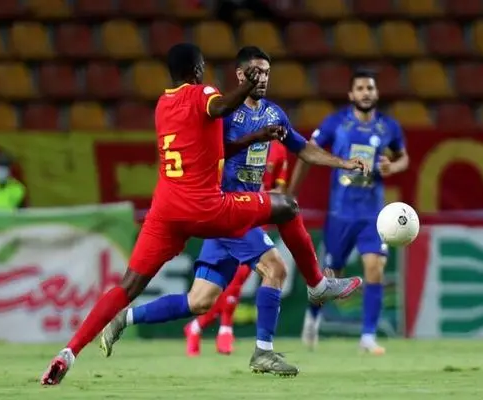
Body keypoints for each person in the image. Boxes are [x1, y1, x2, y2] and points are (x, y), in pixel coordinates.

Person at [40, 44, 367, 385]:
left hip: (168, 210)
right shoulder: (208, 96)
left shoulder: (164, 105)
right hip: (217, 209)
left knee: (186, 298)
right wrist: (243, 95)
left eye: (266, 73)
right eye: (255, 73)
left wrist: (334, 160)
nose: (262, 78)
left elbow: (221, 147)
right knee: (282, 235)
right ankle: (306, 299)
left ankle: (72, 350)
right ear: (202, 71)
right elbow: (220, 107)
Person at [288, 69, 410, 355]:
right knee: (331, 275)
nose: (366, 93)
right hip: (340, 214)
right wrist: (292, 192)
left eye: (370, 88)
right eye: (361, 88)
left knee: (375, 268)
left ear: (376, 93)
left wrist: (393, 166)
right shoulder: (336, 123)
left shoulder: (388, 127)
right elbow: (308, 152)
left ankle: (368, 337)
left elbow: (403, 157)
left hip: (373, 215)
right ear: (351, 94)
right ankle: (313, 317)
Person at [183, 139, 288, 357]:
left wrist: (267, 200)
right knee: (229, 283)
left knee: (236, 282)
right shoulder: (235, 140)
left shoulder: (278, 149)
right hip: (230, 218)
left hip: (257, 223)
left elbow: (280, 188)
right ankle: (224, 329)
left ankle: (197, 327)